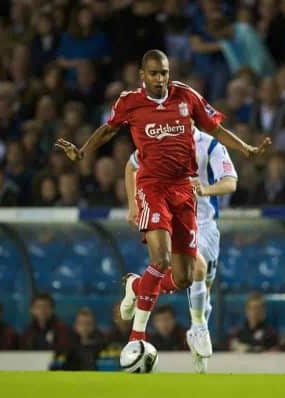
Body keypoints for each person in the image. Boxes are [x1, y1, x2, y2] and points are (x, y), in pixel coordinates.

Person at [55, 49, 270, 362]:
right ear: (143, 75)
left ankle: (135, 285)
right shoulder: (130, 102)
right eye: (154, 73)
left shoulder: (186, 97)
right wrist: (84, 151)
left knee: (185, 277)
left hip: (183, 192)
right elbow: (108, 129)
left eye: (165, 73)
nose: (160, 79)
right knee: (162, 257)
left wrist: (246, 148)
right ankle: (137, 337)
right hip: (152, 188)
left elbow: (215, 128)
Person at [125, 126, 237, 372]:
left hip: (207, 225)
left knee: (200, 286)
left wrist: (205, 189)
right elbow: (131, 166)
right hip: (174, 219)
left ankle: (136, 286)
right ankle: (198, 327)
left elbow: (230, 182)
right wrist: (134, 205)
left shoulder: (209, 144)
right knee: (197, 268)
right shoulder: (157, 139)